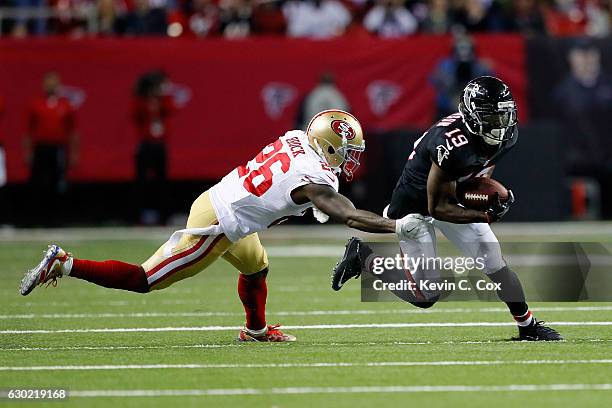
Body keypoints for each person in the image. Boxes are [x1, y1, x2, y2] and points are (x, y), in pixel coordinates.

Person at [20, 109, 420, 343]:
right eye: (348, 152)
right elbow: (348, 215)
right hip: (220, 224)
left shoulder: (299, 137)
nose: (351, 160)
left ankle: (256, 330)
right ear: (329, 146)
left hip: (224, 202)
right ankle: (64, 263)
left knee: (256, 265)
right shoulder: (314, 177)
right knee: (146, 279)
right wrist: (400, 225)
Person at [332, 77, 563, 341]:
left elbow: (479, 171)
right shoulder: (451, 145)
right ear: (471, 114)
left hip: (450, 192)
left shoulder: (507, 136)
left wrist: (485, 195)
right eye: (491, 116)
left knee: (494, 261)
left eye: (503, 114)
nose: (499, 124)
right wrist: (483, 214)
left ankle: (528, 327)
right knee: (425, 296)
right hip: (416, 205)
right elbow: (438, 207)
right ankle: (363, 257)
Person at [23, 72, 79, 226]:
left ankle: (58, 218)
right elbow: (28, 131)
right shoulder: (37, 104)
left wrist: (74, 154)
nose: (51, 86)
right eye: (48, 82)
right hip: (41, 148)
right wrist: (27, 152)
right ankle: (38, 217)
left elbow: (73, 131)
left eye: (54, 83)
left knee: (58, 183)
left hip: (58, 148)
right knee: (40, 183)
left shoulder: (65, 105)